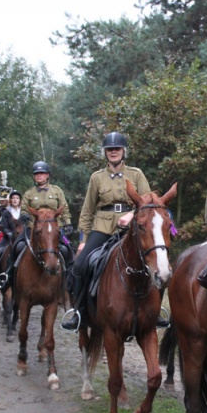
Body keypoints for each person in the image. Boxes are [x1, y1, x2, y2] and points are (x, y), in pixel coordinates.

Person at [61, 132, 152, 331]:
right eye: (110, 149)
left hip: (131, 229)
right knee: (80, 266)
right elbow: (87, 210)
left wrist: (131, 215)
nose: (113, 152)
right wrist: (83, 239)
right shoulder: (97, 178)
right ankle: (80, 313)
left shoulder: (136, 174)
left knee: (153, 261)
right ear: (105, 153)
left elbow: (148, 202)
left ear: (123, 151)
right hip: (102, 228)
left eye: (116, 149)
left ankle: (155, 312)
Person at [0, 162, 74, 290]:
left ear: (47, 175)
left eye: (41, 173)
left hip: (52, 228)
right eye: (36, 174)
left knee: (67, 248)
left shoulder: (57, 191)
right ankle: (8, 275)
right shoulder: (29, 193)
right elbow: (24, 209)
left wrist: (68, 223)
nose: (39, 176)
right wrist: (24, 215)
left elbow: (64, 209)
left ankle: (70, 279)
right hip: (33, 228)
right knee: (17, 247)